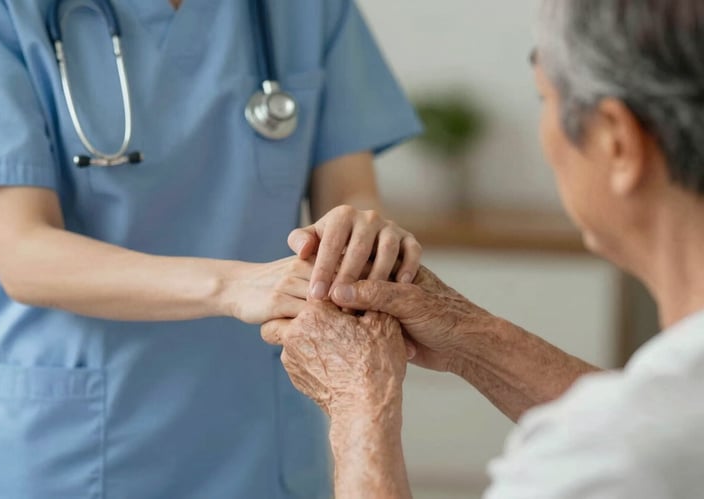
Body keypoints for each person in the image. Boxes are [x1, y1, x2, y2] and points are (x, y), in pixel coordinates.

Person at [0, 1, 423, 498]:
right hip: (64, 445)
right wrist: (235, 286)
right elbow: (23, 255)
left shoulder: (306, 9)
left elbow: (349, 198)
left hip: (258, 440)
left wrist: (362, 237)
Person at [263, 0, 704, 497]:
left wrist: (358, 403)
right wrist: (469, 335)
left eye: (544, 98)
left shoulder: (596, 467)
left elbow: (636, 440)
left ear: (617, 142)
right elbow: (652, 419)